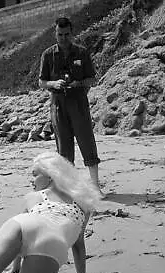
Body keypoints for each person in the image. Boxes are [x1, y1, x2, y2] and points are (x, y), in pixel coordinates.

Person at [39, 17, 103, 196]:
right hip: (58, 104)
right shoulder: (48, 54)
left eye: (67, 34)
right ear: (55, 33)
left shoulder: (82, 53)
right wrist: (54, 83)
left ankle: (96, 186)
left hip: (78, 102)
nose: (63, 38)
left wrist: (78, 83)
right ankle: (69, 188)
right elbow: (41, 82)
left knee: (87, 142)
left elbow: (92, 78)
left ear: (72, 33)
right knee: (63, 148)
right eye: (60, 35)